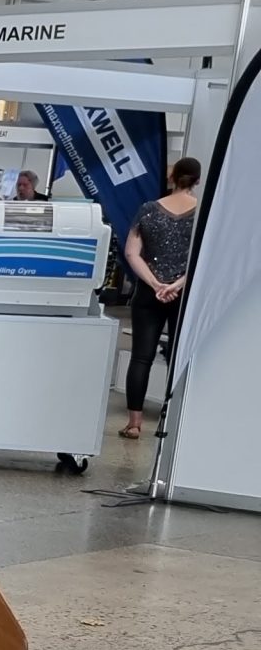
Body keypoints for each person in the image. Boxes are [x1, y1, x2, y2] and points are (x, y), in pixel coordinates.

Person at [120, 156, 200, 440]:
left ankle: (134, 423)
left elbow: (132, 252)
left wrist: (155, 283)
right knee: (182, 357)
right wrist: (178, 283)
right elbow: (204, 258)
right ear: (198, 181)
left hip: (148, 293)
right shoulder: (204, 213)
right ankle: (175, 421)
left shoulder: (148, 210)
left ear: (172, 178)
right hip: (185, 294)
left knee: (141, 357)